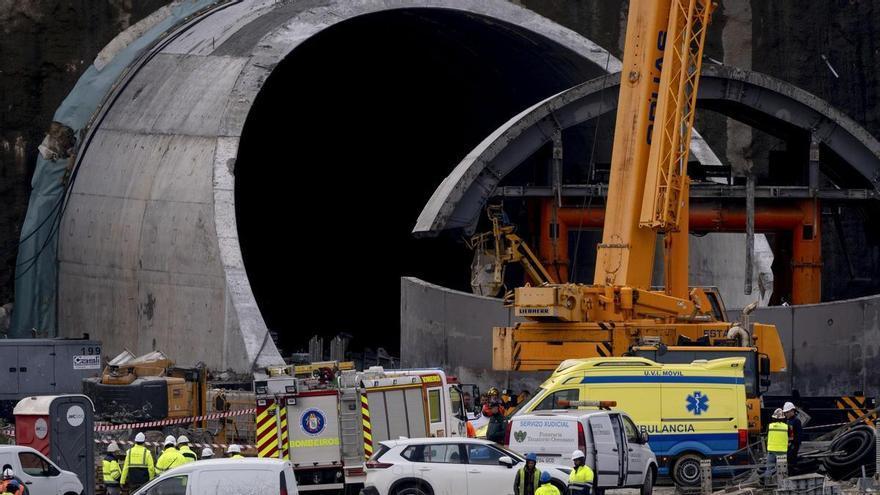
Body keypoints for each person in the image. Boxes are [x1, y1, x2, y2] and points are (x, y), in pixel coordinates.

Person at [763, 408, 789, 483]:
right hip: (782, 452)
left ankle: (767, 484)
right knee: (782, 469)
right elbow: (790, 438)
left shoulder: (769, 426)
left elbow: (766, 437)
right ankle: (782, 483)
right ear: (783, 418)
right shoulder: (786, 426)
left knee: (769, 468)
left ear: (773, 418)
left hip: (771, 450)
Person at [783, 402, 803, 474]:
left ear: (792, 411)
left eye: (787, 412)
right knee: (788, 460)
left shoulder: (796, 421)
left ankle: (793, 473)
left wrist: (794, 443)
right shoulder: (788, 421)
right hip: (789, 444)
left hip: (793, 444)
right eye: (785, 413)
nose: (786, 414)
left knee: (792, 460)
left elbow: (799, 434)